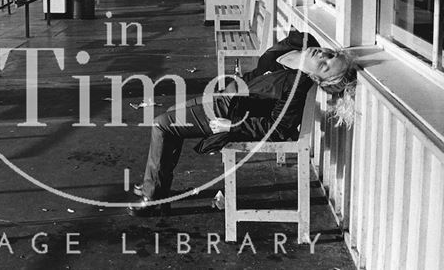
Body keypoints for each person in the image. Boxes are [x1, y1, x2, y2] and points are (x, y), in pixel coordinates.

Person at [128, 30, 357, 216]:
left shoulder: (296, 85)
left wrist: (232, 125)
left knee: (162, 124)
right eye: (330, 54)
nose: (323, 56)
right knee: (170, 115)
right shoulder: (301, 43)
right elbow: (270, 64)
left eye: (325, 65)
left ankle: (153, 196)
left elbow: (279, 128)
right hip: (227, 94)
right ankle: (159, 190)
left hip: (231, 110)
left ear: (317, 78)